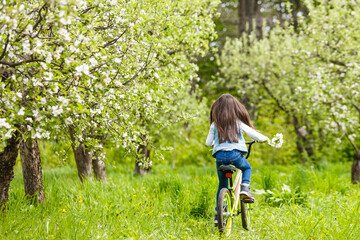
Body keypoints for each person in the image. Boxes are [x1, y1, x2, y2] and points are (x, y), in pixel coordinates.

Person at [206, 94, 268, 225]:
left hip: (220, 158)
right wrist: (264, 139)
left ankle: (218, 215)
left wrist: (214, 143)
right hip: (235, 156)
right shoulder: (238, 123)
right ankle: (245, 188)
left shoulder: (214, 124)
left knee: (222, 184)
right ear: (235, 108)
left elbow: (208, 143)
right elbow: (254, 134)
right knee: (246, 167)